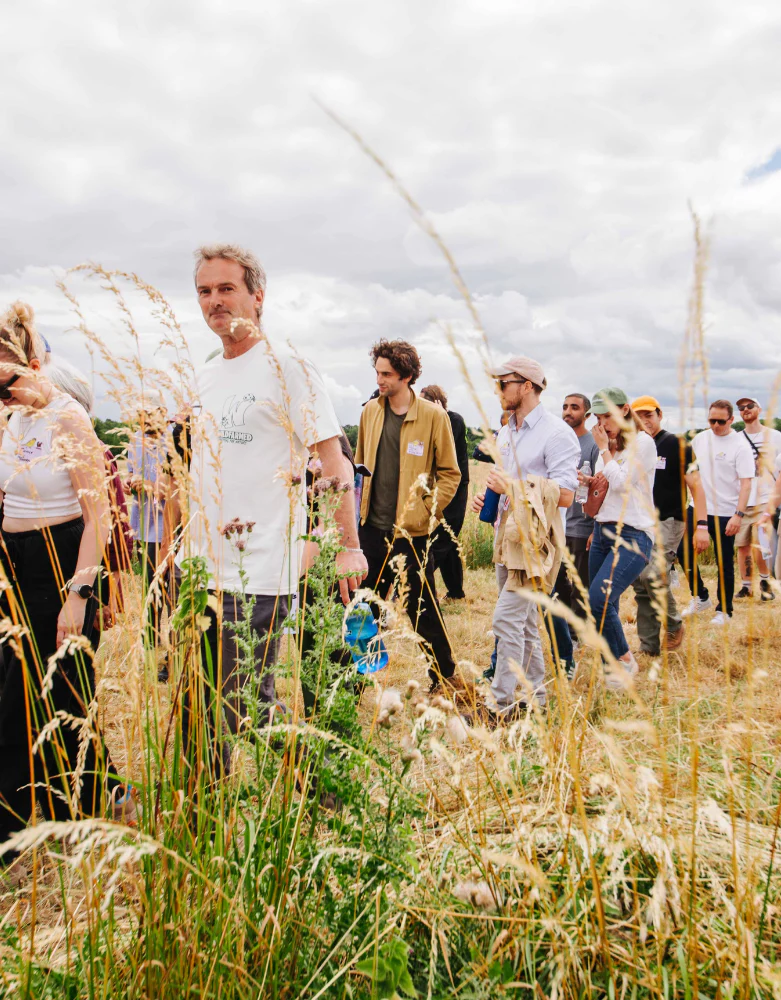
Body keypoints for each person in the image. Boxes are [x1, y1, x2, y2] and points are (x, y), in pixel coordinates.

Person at [168, 244, 366, 780]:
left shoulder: (289, 369)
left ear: (257, 296)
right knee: (196, 703)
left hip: (258, 568)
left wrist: (347, 546)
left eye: (226, 288)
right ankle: (200, 807)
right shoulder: (206, 377)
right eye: (204, 291)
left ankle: (330, 791)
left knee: (245, 708)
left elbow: (334, 462)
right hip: (200, 568)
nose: (215, 301)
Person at [0, 303, 132, 876]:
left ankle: (21, 823)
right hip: (16, 561)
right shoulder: (13, 417)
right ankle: (91, 795)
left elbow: (97, 516)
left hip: (62, 564)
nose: (1, 392)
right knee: (37, 689)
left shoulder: (68, 418)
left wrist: (79, 593)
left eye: (7, 379)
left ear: (34, 363)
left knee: (44, 690)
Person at [472, 357, 579, 718]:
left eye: (504, 383)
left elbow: (566, 494)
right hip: (507, 535)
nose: (499, 391)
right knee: (528, 625)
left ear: (527, 386)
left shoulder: (556, 433)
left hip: (537, 544)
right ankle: (540, 702)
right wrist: (490, 498)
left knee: (505, 619)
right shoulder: (507, 431)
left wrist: (513, 487)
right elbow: (506, 481)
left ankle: (499, 705)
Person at [355, 340, 461, 694]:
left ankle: (444, 677)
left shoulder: (434, 416)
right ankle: (352, 686)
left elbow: (450, 474)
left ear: (408, 376)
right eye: (378, 373)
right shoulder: (370, 411)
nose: (380, 380)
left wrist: (426, 511)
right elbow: (360, 467)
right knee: (363, 607)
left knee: (421, 608)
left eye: (386, 374)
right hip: (370, 528)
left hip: (410, 532)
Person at [584, 388, 656, 686]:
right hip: (603, 530)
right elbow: (610, 487)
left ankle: (625, 660)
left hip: (633, 533)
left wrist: (603, 450)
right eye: (598, 418)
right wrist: (591, 482)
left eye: (607, 416)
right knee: (603, 604)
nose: (602, 424)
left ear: (625, 410)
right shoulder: (613, 446)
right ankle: (610, 666)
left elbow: (626, 484)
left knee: (599, 599)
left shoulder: (643, 443)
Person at [630, 395, 709, 655]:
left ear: (659, 415)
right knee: (640, 585)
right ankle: (649, 645)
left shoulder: (678, 444)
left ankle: (674, 624)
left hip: (670, 521)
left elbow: (696, 486)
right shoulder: (635, 446)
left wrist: (701, 525)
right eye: (638, 416)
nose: (644, 421)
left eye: (649, 415)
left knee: (652, 575)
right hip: (640, 524)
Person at [679, 399, 754, 624]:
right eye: (711, 420)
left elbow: (746, 484)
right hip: (698, 507)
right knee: (682, 550)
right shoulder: (701, 439)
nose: (715, 425)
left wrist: (738, 515)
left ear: (731, 420)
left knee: (723, 561)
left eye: (720, 421)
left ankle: (725, 609)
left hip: (726, 512)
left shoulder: (740, 446)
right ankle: (701, 596)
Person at [545, 393, 600, 677]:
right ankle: (563, 631)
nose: (568, 411)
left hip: (581, 524)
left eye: (574, 407)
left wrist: (593, 526)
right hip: (558, 525)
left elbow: (597, 486)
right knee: (558, 585)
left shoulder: (591, 445)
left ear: (586, 414)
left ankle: (576, 636)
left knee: (577, 583)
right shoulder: (560, 440)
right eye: (565, 406)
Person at [126, 389, 174, 665]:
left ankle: (173, 637)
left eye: (148, 414)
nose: (143, 420)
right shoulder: (136, 442)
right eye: (139, 415)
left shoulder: (174, 442)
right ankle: (150, 636)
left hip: (167, 527)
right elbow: (132, 474)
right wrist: (132, 481)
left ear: (162, 413)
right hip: (144, 524)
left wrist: (147, 485)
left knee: (168, 586)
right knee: (148, 584)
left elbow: (172, 488)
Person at [419, 384, 470, 601]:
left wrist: (440, 416)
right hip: (437, 487)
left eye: (424, 402)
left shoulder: (453, 420)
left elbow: (442, 446)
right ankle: (456, 592)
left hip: (454, 490)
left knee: (440, 541)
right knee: (449, 542)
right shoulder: (429, 422)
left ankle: (418, 588)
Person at [733, 397, 781, 600]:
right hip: (742, 498)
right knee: (742, 544)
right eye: (741, 408)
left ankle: (765, 582)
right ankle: (746, 586)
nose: (745, 410)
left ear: (759, 409)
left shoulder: (775, 436)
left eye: (749, 406)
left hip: (765, 496)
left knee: (761, 542)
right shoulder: (736, 438)